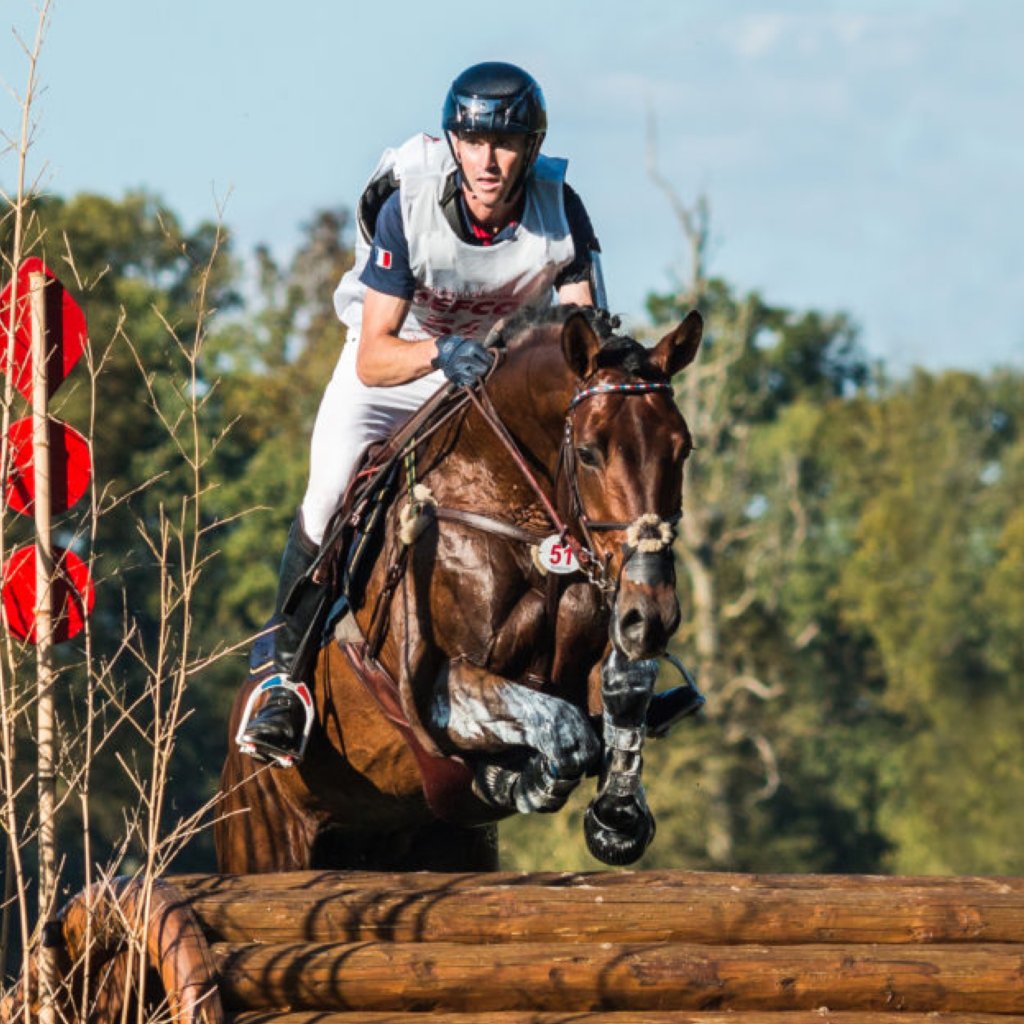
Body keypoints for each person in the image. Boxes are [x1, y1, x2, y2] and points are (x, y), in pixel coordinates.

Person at [238, 61, 604, 765]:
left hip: (492, 377)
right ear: (454, 143)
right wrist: (441, 353)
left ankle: (613, 673)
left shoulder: (562, 210)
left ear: (530, 148)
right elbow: (375, 354)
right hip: (395, 373)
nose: (488, 161)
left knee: (592, 467)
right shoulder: (406, 205)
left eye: (504, 143)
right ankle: (285, 681)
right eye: (473, 142)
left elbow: (586, 342)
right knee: (324, 496)